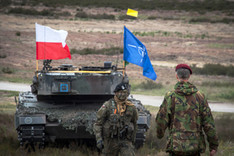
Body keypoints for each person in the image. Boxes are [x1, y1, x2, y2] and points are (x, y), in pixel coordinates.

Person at [155, 64, 219, 156]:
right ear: (189, 76)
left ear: (176, 76)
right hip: (195, 147)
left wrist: (159, 134)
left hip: (175, 147)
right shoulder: (200, 96)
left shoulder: (170, 96)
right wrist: (213, 146)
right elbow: (208, 123)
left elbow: (161, 119)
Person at [93, 82, 138, 156]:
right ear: (116, 93)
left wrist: (133, 139)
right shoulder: (108, 106)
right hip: (111, 140)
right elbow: (98, 124)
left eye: (124, 92)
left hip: (125, 140)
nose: (123, 94)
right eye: (120, 92)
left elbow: (135, 123)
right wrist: (99, 139)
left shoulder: (131, 107)